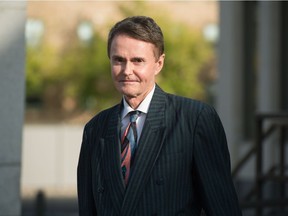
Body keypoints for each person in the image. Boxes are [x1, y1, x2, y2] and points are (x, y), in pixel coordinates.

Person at [77, 16, 242, 216]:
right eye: (118, 60)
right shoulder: (95, 129)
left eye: (137, 61)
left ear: (159, 63)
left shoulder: (194, 120)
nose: (127, 71)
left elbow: (223, 208)